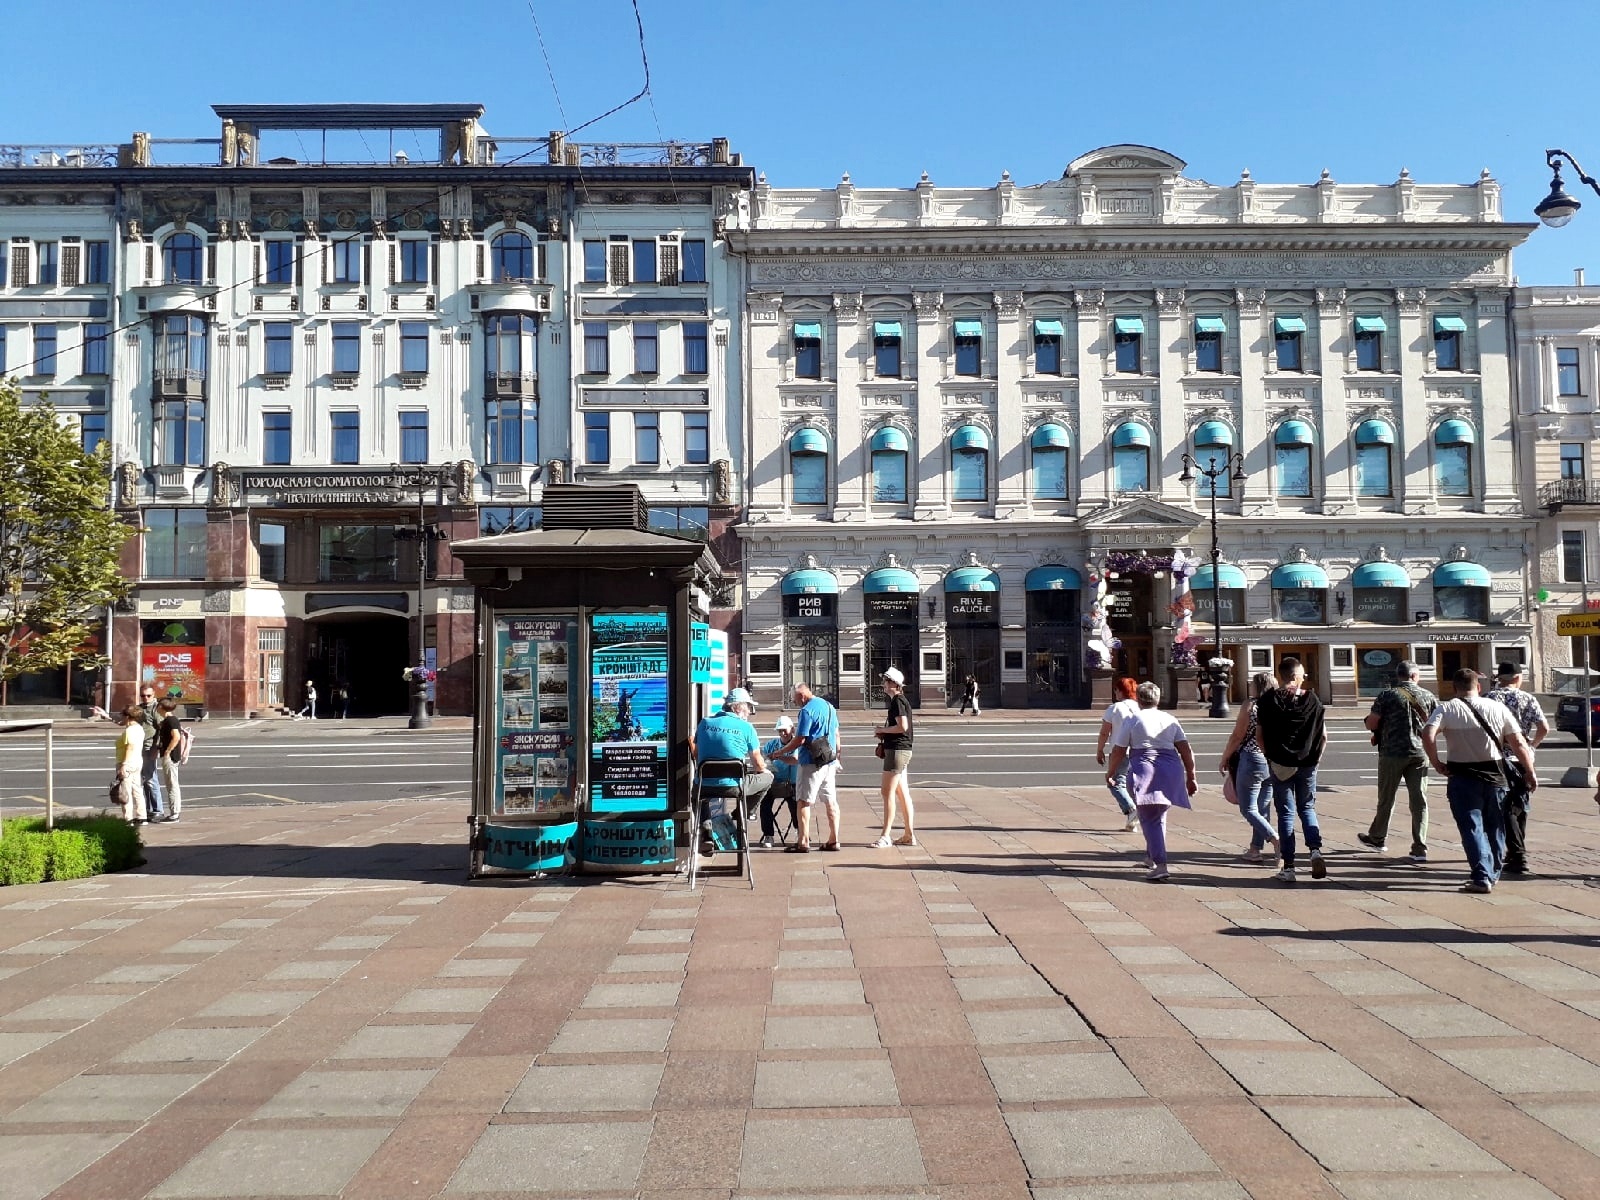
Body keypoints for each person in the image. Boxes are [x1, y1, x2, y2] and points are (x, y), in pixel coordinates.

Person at [1424, 668, 1537, 894]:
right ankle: (1493, 872)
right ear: (1478, 687)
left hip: (1462, 775)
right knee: (1496, 826)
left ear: (1455, 688)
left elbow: (1427, 734)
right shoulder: (1497, 708)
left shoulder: (1447, 708)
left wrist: (1436, 763)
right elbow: (1518, 743)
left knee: (1471, 827)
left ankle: (1481, 876)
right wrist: (1529, 771)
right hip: (1495, 774)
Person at [1104, 681, 1197, 882]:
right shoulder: (1170, 718)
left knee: (1149, 817)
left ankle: (1161, 865)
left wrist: (1110, 772)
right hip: (1171, 768)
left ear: (1138, 698)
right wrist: (1191, 775)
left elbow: (1119, 750)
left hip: (1144, 768)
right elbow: (1185, 749)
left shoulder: (1133, 719)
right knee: (1159, 815)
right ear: (1157, 699)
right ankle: (1151, 857)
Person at [1255, 657, 1327, 883]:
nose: (1304, 677)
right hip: (1307, 763)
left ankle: (1289, 867)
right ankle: (1315, 850)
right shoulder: (1312, 700)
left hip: (1279, 764)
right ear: (1295, 676)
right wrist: (1316, 759)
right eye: (1302, 674)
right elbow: (1323, 736)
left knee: (1285, 813)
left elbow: (1259, 736)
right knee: (1307, 808)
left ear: (1281, 676)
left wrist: (1270, 757)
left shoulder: (1268, 700)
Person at [1358, 659, 1437, 863]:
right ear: (1415, 676)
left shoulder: (1387, 695)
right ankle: (1420, 847)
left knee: (1387, 798)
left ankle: (1378, 838)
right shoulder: (1429, 696)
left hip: (1392, 753)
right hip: (1420, 753)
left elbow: (1372, 723)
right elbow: (1436, 725)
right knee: (1419, 801)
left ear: (1399, 676)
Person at [689, 687, 771, 859]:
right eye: (748, 707)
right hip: (734, 786)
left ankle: (706, 832)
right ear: (738, 707)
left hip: (705, 784)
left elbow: (697, 755)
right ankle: (744, 813)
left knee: (697, 793)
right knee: (768, 777)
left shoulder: (704, 723)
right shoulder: (746, 728)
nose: (749, 711)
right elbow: (758, 764)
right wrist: (763, 767)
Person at [1485, 661, 1549, 876]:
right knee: (1520, 805)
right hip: (1521, 758)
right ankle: (1515, 852)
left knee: (1505, 807)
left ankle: (1517, 854)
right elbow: (1544, 727)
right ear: (1517, 677)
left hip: (1497, 757)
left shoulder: (1490, 698)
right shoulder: (1527, 698)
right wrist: (1531, 746)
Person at [774, 681, 840, 853]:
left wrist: (780, 752)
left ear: (802, 696)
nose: (795, 703)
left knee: (803, 801)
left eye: (795, 700)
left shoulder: (806, 710)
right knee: (830, 801)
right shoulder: (829, 706)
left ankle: (803, 842)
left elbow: (800, 739)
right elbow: (836, 734)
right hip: (829, 760)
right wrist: (837, 755)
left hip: (811, 762)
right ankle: (834, 839)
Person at [1219, 672, 1279, 864]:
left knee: (1248, 808)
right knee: (1262, 808)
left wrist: (1225, 757)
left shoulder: (1251, 705)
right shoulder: (1280, 704)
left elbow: (1237, 735)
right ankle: (1255, 849)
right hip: (1272, 761)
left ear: (1257, 686)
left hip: (1252, 758)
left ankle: (1274, 838)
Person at [872, 667, 916, 847]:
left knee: (887, 792)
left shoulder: (897, 701)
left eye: (885, 681)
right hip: (902, 750)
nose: (883, 684)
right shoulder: (901, 700)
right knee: (902, 793)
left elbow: (902, 726)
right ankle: (909, 834)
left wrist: (881, 730)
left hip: (897, 751)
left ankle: (885, 836)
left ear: (893, 684)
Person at [1096, 677, 1140, 832]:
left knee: (1114, 782)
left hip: (1120, 751)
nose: (1115, 692)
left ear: (1121, 691)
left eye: (1116, 689)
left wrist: (1099, 750)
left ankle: (1131, 809)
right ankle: (1132, 822)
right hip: (1140, 751)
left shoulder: (1114, 708)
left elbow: (1104, 732)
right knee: (1134, 784)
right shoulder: (1140, 707)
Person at [759, 715, 800, 848]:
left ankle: (799, 831)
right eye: (779, 730)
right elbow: (763, 759)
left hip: (791, 783)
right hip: (773, 782)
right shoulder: (771, 744)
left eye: (784, 730)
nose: (782, 733)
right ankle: (768, 835)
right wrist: (765, 761)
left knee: (795, 805)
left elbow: (795, 760)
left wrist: (779, 756)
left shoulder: (796, 744)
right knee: (764, 804)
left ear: (792, 730)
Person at [137, 685, 167, 821]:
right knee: (145, 779)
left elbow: (161, 729)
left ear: (153, 695)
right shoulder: (140, 708)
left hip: (150, 747)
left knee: (150, 779)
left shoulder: (156, 709)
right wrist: (106, 716)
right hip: (139, 746)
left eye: (148, 695)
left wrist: (156, 747)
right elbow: (124, 721)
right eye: (143, 696)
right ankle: (150, 809)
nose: (145, 698)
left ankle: (158, 810)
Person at [114, 706, 146, 823]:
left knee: (125, 791)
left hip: (128, 762)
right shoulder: (139, 728)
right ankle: (142, 816)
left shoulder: (129, 730)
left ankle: (128, 818)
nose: (121, 718)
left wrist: (124, 764)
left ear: (127, 717)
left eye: (122, 715)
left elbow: (130, 747)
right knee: (137, 789)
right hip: (137, 761)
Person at [155, 697, 184, 824]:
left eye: (158, 706)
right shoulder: (169, 720)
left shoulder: (171, 720)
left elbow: (176, 737)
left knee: (172, 785)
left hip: (171, 757)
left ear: (161, 707)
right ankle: (174, 812)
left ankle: (174, 814)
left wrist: (167, 751)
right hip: (172, 756)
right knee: (172, 784)